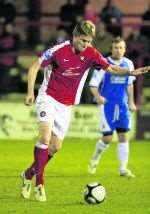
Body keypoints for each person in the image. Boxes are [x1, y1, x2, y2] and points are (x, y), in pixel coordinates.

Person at [21, 20, 150, 202]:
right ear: (74, 37)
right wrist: (30, 92)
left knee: (55, 147)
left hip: (66, 104)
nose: (86, 45)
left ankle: (27, 174)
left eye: (89, 41)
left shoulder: (91, 53)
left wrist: (130, 73)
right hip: (48, 97)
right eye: (83, 41)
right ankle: (39, 183)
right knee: (44, 138)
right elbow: (35, 67)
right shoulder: (58, 50)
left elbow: (111, 67)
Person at [88, 37, 137, 177]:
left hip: (122, 105)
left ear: (125, 49)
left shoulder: (129, 64)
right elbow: (93, 84)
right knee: (108, 138)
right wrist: (98, 97)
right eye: (116, 47)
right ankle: (94, 159)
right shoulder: (103, 63)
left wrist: (131, 102)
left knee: (123, 135)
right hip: (106, 106)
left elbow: (129, 84)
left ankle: (123, 169)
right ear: (111, 49)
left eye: (121, 47)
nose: (118, 50)